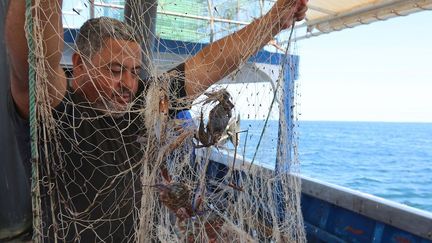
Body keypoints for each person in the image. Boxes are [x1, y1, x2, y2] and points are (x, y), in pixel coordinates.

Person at [4, 0, 307, 241]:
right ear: (80, 64)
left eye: (134, 71)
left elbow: (211, 63)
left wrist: (275, 19)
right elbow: (34, 57)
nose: (127, 83)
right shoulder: (53, 105)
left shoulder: (145, 102)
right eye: (114, 70)